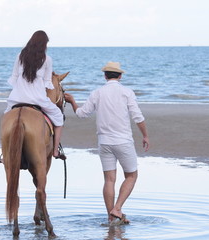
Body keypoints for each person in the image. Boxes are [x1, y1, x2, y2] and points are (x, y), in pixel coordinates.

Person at [64, 61, 150, 224]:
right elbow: (137, 117)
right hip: (123, 141)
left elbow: (82, 114)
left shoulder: (97, 92)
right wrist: (145, 136)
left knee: (109, 180)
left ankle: (111, 217)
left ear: (105, 75)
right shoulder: (127, 92)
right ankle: (117, 209)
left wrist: (72, 101)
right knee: (132, 175)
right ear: (120, 75)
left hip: (104, 142)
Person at [4, 30, 64, 159]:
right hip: (37, 99)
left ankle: (4, 154)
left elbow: (14, 78)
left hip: (16, 98)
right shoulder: (47, 60)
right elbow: (48, 82)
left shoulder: (20, 55)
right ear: (44, 44)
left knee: (6, 120)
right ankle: (55, 151)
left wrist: (22, 90)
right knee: (59, 118)